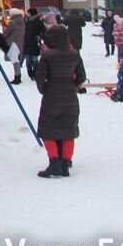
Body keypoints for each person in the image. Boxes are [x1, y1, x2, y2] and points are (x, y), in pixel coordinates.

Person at [34, 25, 86, 178]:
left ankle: (54, 163)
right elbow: (81, 77)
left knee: (49, 130)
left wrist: (44, 89)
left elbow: (40, 77)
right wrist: (73, 85)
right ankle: (65, 164)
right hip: (70, 96)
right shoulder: (74, 54)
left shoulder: (48, 55)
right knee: (67, 131)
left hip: (52, 95)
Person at [2, 8, 25, 85]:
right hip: (19, 44)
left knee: (15, 62)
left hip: (12, 44)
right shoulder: (22, 21)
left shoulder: (12, 23)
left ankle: (17, 78)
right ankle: (18, 76)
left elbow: (5, 34)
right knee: (16, 61)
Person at [23, 8, 46, 80]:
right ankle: (30, 73)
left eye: (28, 13)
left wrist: (40, 37)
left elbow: (44, 31)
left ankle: (35, 73)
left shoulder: (38, 22)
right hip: (26, 43)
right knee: (28, 61)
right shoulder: (26, 21)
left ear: (32, 13)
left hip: (35, 43)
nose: (27, 14)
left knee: (35, 60)